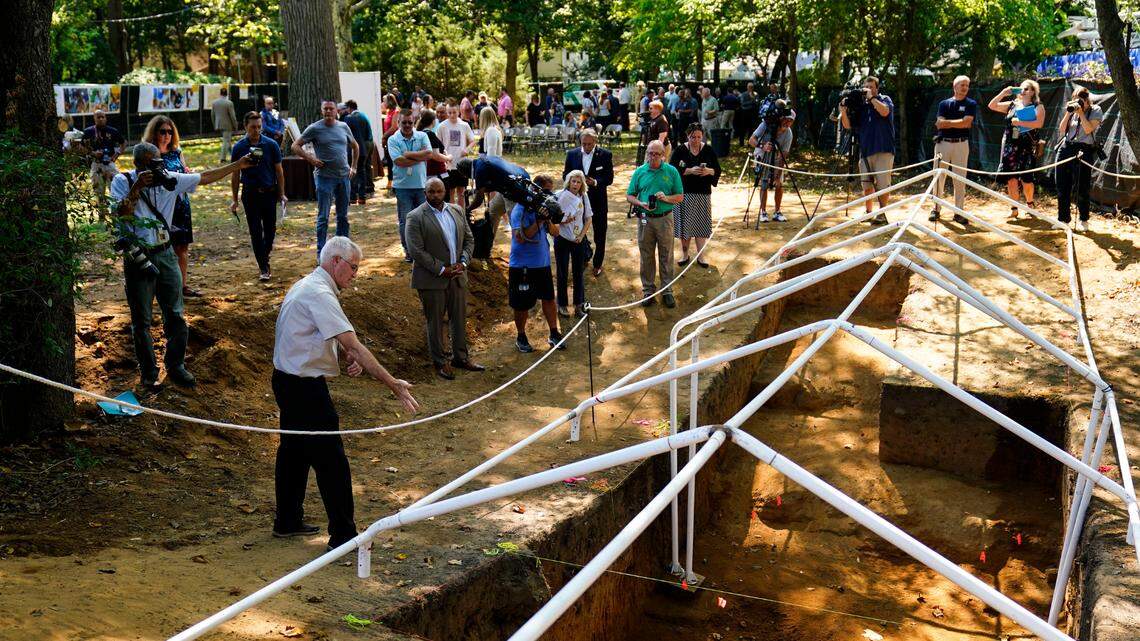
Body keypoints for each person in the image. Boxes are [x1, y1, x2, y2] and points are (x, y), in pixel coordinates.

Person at [271, 236, 418, 550]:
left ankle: (287, 520)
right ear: (335, 261)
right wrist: (393, 383)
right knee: (331, 461)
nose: (355, 274)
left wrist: (344, 355)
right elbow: (354, 344)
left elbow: (313, 335)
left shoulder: (310, 285)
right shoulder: (319, 293)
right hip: (303, 387)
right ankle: (343, 535)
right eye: (353, 267)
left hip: (287, 380)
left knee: (294, 452)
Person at [110, 143, 253, 388]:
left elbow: (204, 177)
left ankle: (176, 365)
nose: (156, 169)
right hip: (138, 255)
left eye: (158, 162)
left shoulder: (170, 179)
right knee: (141, 320)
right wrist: (137, 187)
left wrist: (238, 165)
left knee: (175, 314)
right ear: (137, 164)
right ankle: (148, 372)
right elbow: (122, 213)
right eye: (150, 164)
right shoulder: (122, 181)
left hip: (166, 253)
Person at [405, 178, 484, 379]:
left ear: (445, 192)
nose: (435, 195)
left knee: (459, 318)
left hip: (457, 276)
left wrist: (463, 263)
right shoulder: (415, 217)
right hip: (431, 279)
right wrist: (441, 269)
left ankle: (461, 358)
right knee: (435, 322)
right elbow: (416, 250)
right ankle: (440, 362)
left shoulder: (457, 211)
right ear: (425, 193)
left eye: (439, 191)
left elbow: (469, 239)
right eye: (431, 192)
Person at [292, 100, 360, 258]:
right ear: (322, 111)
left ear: (337, 111)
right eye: (325, 109)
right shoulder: (315, 128)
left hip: (343, 177)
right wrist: (311, 159)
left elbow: (355, 146)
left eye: (331, 109)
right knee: (323, 217)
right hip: (324, 178)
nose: (328, 111)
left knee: (342, 216)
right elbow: (295, 146)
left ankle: (342, 252)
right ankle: (321, 254)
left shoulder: (343, 126)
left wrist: (354, 167)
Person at [143, 115, 200, 298]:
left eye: (170, 131)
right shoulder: (149, 154)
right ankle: (162, 288)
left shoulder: (176, 152)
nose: (167, 135)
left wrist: (188, 173)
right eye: (163, 131)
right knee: (162, 247)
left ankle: (182, 286)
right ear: (154, 133)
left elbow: (184, 171)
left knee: (182, 247)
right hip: (162, 207)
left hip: (181, 205)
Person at [508, 174, 565, 352]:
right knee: (521, 304)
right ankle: (521, 336)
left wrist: (547, 219)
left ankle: (554, 333)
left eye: (550, 191)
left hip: (542, 263)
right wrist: (539, 221)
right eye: (546, 191)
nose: (549, 195)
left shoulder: (545, 208)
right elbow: (520, 238)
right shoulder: (520, 209)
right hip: (522, 266)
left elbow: (556, 233)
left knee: (548, 298)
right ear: (536, 189)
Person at [626, 140, 684, 308]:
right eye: (650, 153)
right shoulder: (640, 172)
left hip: (665, 219)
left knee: (666, 254)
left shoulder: (671, 171)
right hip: (645, 219)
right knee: (646, 255)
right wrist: (640, 203)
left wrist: (666, 198)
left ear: (663, 155)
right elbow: (629, 195)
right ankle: (648, 290)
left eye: (657, 154)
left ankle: (667, 290)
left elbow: (680, 196)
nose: (653, 157)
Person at [230, 111, 287, 280]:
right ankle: (263, 267)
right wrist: (234, 199)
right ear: (245, 126)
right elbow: (235, 174)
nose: (256, 130)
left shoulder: (271, 145)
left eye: (259, 127)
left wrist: (281, 194)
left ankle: (264, 255)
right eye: (253, 127)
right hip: (250, 194)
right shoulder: (239, 147)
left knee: (270, 230)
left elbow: (279, 171)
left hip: (269, 193)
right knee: (255, 231)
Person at [389, 109, 449, 262]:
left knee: (424, 219)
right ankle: (409, 251)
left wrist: (408, 154)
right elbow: (399, 161)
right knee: (406, 220)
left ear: (414, 122)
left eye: (410, 122)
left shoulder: (422, 136)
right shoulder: (393, 139)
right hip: (402, 187)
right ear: (398, 122)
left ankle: (422, 250)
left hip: (421, 186)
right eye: (404, 122)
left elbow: (429, 154)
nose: (407, 125)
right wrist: (419, 157)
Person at [840, 76, 895, 224]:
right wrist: (843, 111)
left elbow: (885, 112)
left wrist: (871, 98)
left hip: (883, 148)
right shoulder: (861, 106)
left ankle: (882, 214)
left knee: (882, 184)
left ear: (877, 88)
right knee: (866, 184)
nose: (868, 90)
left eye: (871, 87)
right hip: (865, 149)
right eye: (866, 87)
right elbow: (848, 126)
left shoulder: (884, 99)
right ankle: (869, 212)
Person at [987, 79, 1045, 220]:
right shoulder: (1012, 104)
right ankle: (1014, 209)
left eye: (1026, 89)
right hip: (1010, 147)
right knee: (1011, 179)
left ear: (1033, 92)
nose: (1022, 91)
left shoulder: (1038, 106)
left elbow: (1039, 123)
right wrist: (1003, 93)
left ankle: (1030, 206)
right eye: (1021, 88)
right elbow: (992, 105)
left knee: (1027, 180)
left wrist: (1020, 122)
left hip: (1027, 147)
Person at [563, 128, 614, 277]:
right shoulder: (572, 154)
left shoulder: (605, 155)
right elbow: (565, 174)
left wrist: (596, 182)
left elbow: (609, 178)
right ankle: (584, 256)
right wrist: (573, 183)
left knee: (600, 233)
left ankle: (597, 263)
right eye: (583, 144)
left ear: (595, 142)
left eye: (589, 144)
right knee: (578, 231)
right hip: (576, 202)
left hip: (598, 201)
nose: (586, 147)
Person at [671, 123, 722, 267]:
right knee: (685, 227)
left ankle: (701, 256)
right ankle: (685, 255)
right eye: (693, 137)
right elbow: (672, 169)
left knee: (701, 226)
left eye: (699, 137)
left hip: (702, 193)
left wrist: (708, 171)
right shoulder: (680, 150)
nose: (696, 140)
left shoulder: (708, 149)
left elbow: (717, 170)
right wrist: (689, 171)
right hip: (684, 193)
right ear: (688, 136)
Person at [930, 75, 977, 225]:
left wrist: (947, 123)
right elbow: (939, 123)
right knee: (938, 176)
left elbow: (966, 123)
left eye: (967, 85)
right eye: (962, 85)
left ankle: (958, 212)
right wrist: (958, 122)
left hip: (961, 144)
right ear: (954, 86)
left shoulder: (971, 103)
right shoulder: (944, 104)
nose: (965, 88)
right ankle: (935, 209)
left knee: (960, 178)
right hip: (942, 143)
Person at [1056, 86, 1103, 231]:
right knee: (1062, 185)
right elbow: (1062, 129)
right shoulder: (1071, 110)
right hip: (1066, 147)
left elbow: (1088, 129)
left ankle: (1084, 219)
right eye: (1075, 99)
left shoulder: (1095, 110)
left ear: (1087, 100)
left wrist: (1081, 113)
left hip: (1084, 149)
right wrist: (1068, 112)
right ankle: (1063, 219)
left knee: (1082, 186)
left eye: (1080, 99)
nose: (1078, 102)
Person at [748, 101, 796, 223]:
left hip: (777, 159)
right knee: (764, 183)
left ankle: (777, 211)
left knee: (779, 184)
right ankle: (763, 212)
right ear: (781, 118)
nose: (787, 123)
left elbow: (783, 155)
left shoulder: (789, 134)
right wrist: (762, 145)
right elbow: (751, 140)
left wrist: (778, 176)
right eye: (786, 119)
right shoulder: (766, 124)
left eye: (790, 121)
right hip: (762, 155)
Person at [554, 170, 593, 317]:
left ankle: (579, 305)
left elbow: (588, 218)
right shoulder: (560, 195)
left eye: (578, 182)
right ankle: (562, 305)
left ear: (582, 184)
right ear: (569, 182)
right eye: (573, 181)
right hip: (562, 238)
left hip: (578, 240)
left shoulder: (584, 197)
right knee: (562, 272)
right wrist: (563, 220)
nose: (575, 184)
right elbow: (553, 218)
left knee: (578, 272)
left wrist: (581, 236)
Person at [82, 109, 125, 214]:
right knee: (99, 192)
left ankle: (115, 213)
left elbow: (123, 143)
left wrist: (116, 155)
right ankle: (102, 214)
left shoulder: (112, 131)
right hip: (96, 164)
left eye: (103, 117)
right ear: (94, 119)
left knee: (115, 189)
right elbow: (81, 146)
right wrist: (92, 153)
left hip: (110, 164)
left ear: (106, 118)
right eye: (98, 117)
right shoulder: (88, 132)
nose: (101, 119)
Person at [435, 103, 477, 204]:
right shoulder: (442, 126)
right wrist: (443, 156)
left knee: (461, 192)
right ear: (447, 112)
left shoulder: (464, 125)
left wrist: (467, 149)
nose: (452, 115)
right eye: (449, 113)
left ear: (459, 112)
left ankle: (461, 213)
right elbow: (437, 144)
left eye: (454, 112)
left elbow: (473, 141)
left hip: (461, 164)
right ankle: (452, 213)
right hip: (448, 165)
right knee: (450, 192)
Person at [343, 100, 374, 205]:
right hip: (363, 148)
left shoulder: (348, 118)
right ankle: (362, 197)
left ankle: (352, 197)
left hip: (352, 149)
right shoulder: (363, 116)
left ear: (349, 108)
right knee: (362, 171)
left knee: (352, 171)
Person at [211, 87, 239, 165]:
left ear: (220, 93)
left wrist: (214, 124)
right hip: (227, 125)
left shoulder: (215, 103)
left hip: (218, 124)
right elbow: (232, 116)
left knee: (227, 140)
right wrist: (235, 125)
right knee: (226, 141)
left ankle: (233, 155)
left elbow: (212, 115)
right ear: (227, 94)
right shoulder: (229, 103)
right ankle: (223, 158)